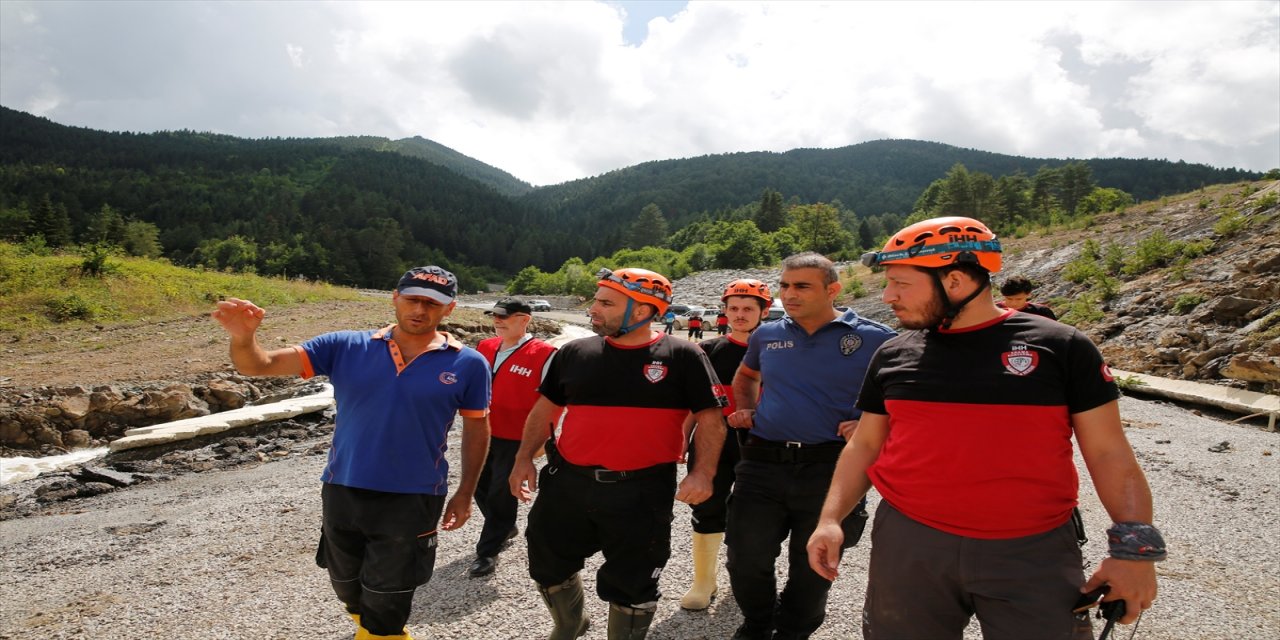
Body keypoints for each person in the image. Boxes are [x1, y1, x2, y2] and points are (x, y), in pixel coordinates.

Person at [808, 217, 1163, 639]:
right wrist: (830, 518)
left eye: (901, 284)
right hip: (910, 542)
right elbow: (865, 444)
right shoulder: (893, 354)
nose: (887, 296)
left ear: (955, 280)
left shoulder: (1061, 347)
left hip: (1032, 549)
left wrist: (1135, 553)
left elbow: (1109, 453)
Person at [212, 266, 490, 640]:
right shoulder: (344, 346)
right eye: (412, 299)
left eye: (431, 303)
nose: (420, 310)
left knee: (388, 596)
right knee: (347, 585)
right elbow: (256, 365)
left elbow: (477, 428)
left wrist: (465, 492)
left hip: (414, 496)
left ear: (450, 309)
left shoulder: (468, 363)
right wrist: (244, 337)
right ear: (395, 297)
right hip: (343, 487)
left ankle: (383, 633)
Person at [509, 267, 729, 640]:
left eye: (605, 303)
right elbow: (545, 411)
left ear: (641, 312)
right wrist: (523, 458)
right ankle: (569, 624)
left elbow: (712, 421)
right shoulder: (575, 352)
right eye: (596, 300)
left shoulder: (684, 355)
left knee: (635, 578)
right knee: (547, 562)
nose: (593, 309)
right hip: (568, 482)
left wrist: (702, 473)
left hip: (642, 489)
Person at [724, 253, 896, 640]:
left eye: (802, 286)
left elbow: (902, 398)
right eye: (785, 285)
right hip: (763, 460)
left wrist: (872, 423)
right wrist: (747, 408)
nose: (789, 294)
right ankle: (757, 623)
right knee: (745, 556)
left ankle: (793, 631)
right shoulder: (767, 334)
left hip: (832, 466)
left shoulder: (876, 338)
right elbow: (746, 376)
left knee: (814, 563)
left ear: (832, 290)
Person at [678, 279, 773, 612]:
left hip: (762, 441)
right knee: (707, 506)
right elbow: (693, 402)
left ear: (765, 311)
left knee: (759, 513)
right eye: (733, 308)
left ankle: (748, 577)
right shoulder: (708, 349)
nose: (740, 315)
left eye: (748, 308)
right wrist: (682, 436)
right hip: (713, 440)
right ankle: (704, 582)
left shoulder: (778, 349)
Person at [470, 298, 559, 578]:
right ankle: (505, 526)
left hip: (517, 437)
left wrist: (541, 442)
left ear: (524, 320)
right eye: (494, 315)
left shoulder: (545, 354)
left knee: (500, 491)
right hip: (482, 431)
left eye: (504, 317)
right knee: (477, 485)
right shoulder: (485, 347)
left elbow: (554, 400)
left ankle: (487, 551)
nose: (497, 320)